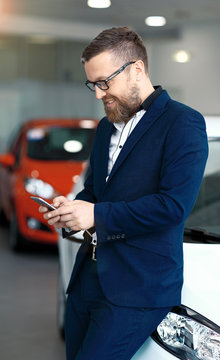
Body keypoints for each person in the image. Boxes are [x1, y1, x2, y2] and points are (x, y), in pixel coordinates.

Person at [40, 26, 208, 360]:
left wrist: (95, 215)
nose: (99, 94)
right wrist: (73, 209)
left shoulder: (183, 124)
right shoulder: (105, 127)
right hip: (88, 281)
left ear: (137, 70)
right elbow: (95, 191)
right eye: (93, 84)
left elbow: (172, 207)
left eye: (104, 82)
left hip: (138, 289)